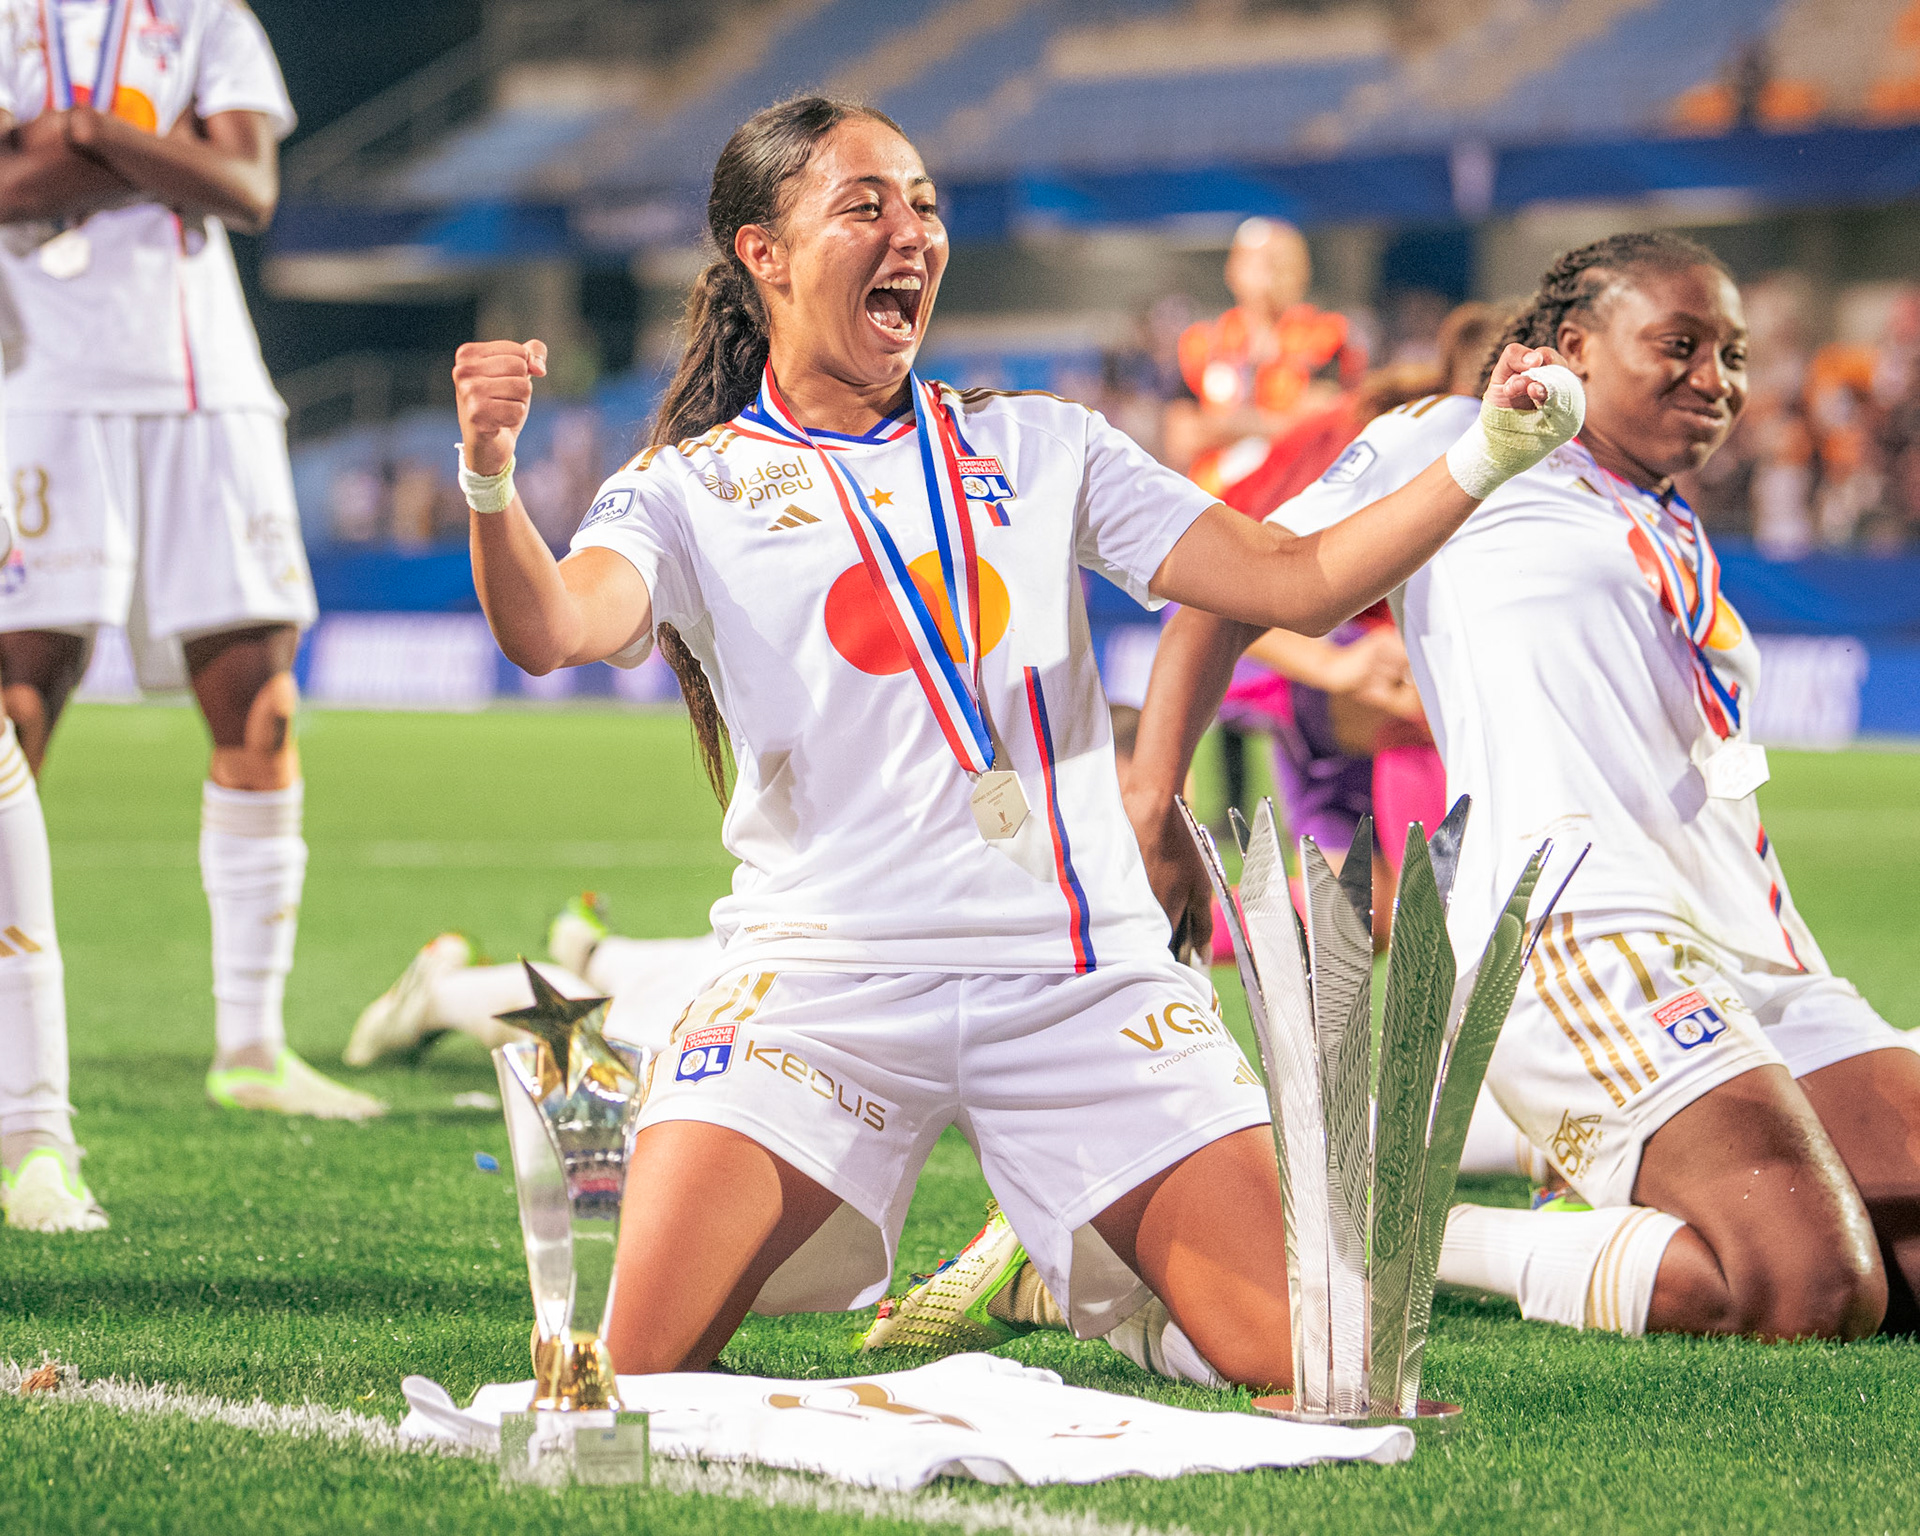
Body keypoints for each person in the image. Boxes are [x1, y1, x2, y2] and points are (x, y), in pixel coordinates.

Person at [449, 95, 1580, 1383]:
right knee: (627, 1375)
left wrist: (1487, 456)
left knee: (1332, 1372)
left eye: (924, 205)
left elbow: (1295, 579)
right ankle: (1092, 1274)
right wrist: (491, 477)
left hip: (1077, 977)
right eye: (865, 206)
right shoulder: (687, 488)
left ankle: (1080, 1289)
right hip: (825, 979)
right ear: (764, 253)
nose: (912, 234)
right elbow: (552, 627)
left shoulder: (1041, 444)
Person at [1129, 231, 1920, 1343]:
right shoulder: (1462, 438)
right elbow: (1230, 589)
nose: (1717, 380)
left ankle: (1521, 1165)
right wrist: (1154, 796)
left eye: (1734, 355)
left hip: (1764, 952)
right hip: (1583, 932)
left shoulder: (1666, 516)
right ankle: (1373, 1214)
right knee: (1813, 1290)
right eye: (1679, 345)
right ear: (1576, 347)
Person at [0, 0, 380, 1129]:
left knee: (261, 708)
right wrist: (167, 156)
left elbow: (249, 188)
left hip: (208, 391)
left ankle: (252, 1047)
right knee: (14, 713)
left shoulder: (208, 17)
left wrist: (89, 134)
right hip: (41, 392)